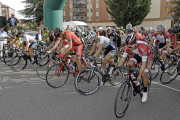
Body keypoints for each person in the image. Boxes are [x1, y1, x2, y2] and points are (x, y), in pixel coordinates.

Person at [114, 34, 152, 102]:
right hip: (138, 54)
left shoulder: (143, 46)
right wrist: (117, 69)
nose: (129, 48)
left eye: (131, 46)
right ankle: (136, 78)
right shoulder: (128, 47)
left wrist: (140, 75)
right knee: (130, 64)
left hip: (147, 56)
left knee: (143, 74)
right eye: (128, 46)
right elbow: (123, 59)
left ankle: (145, 92)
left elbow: (143, 64)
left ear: (135, 43)